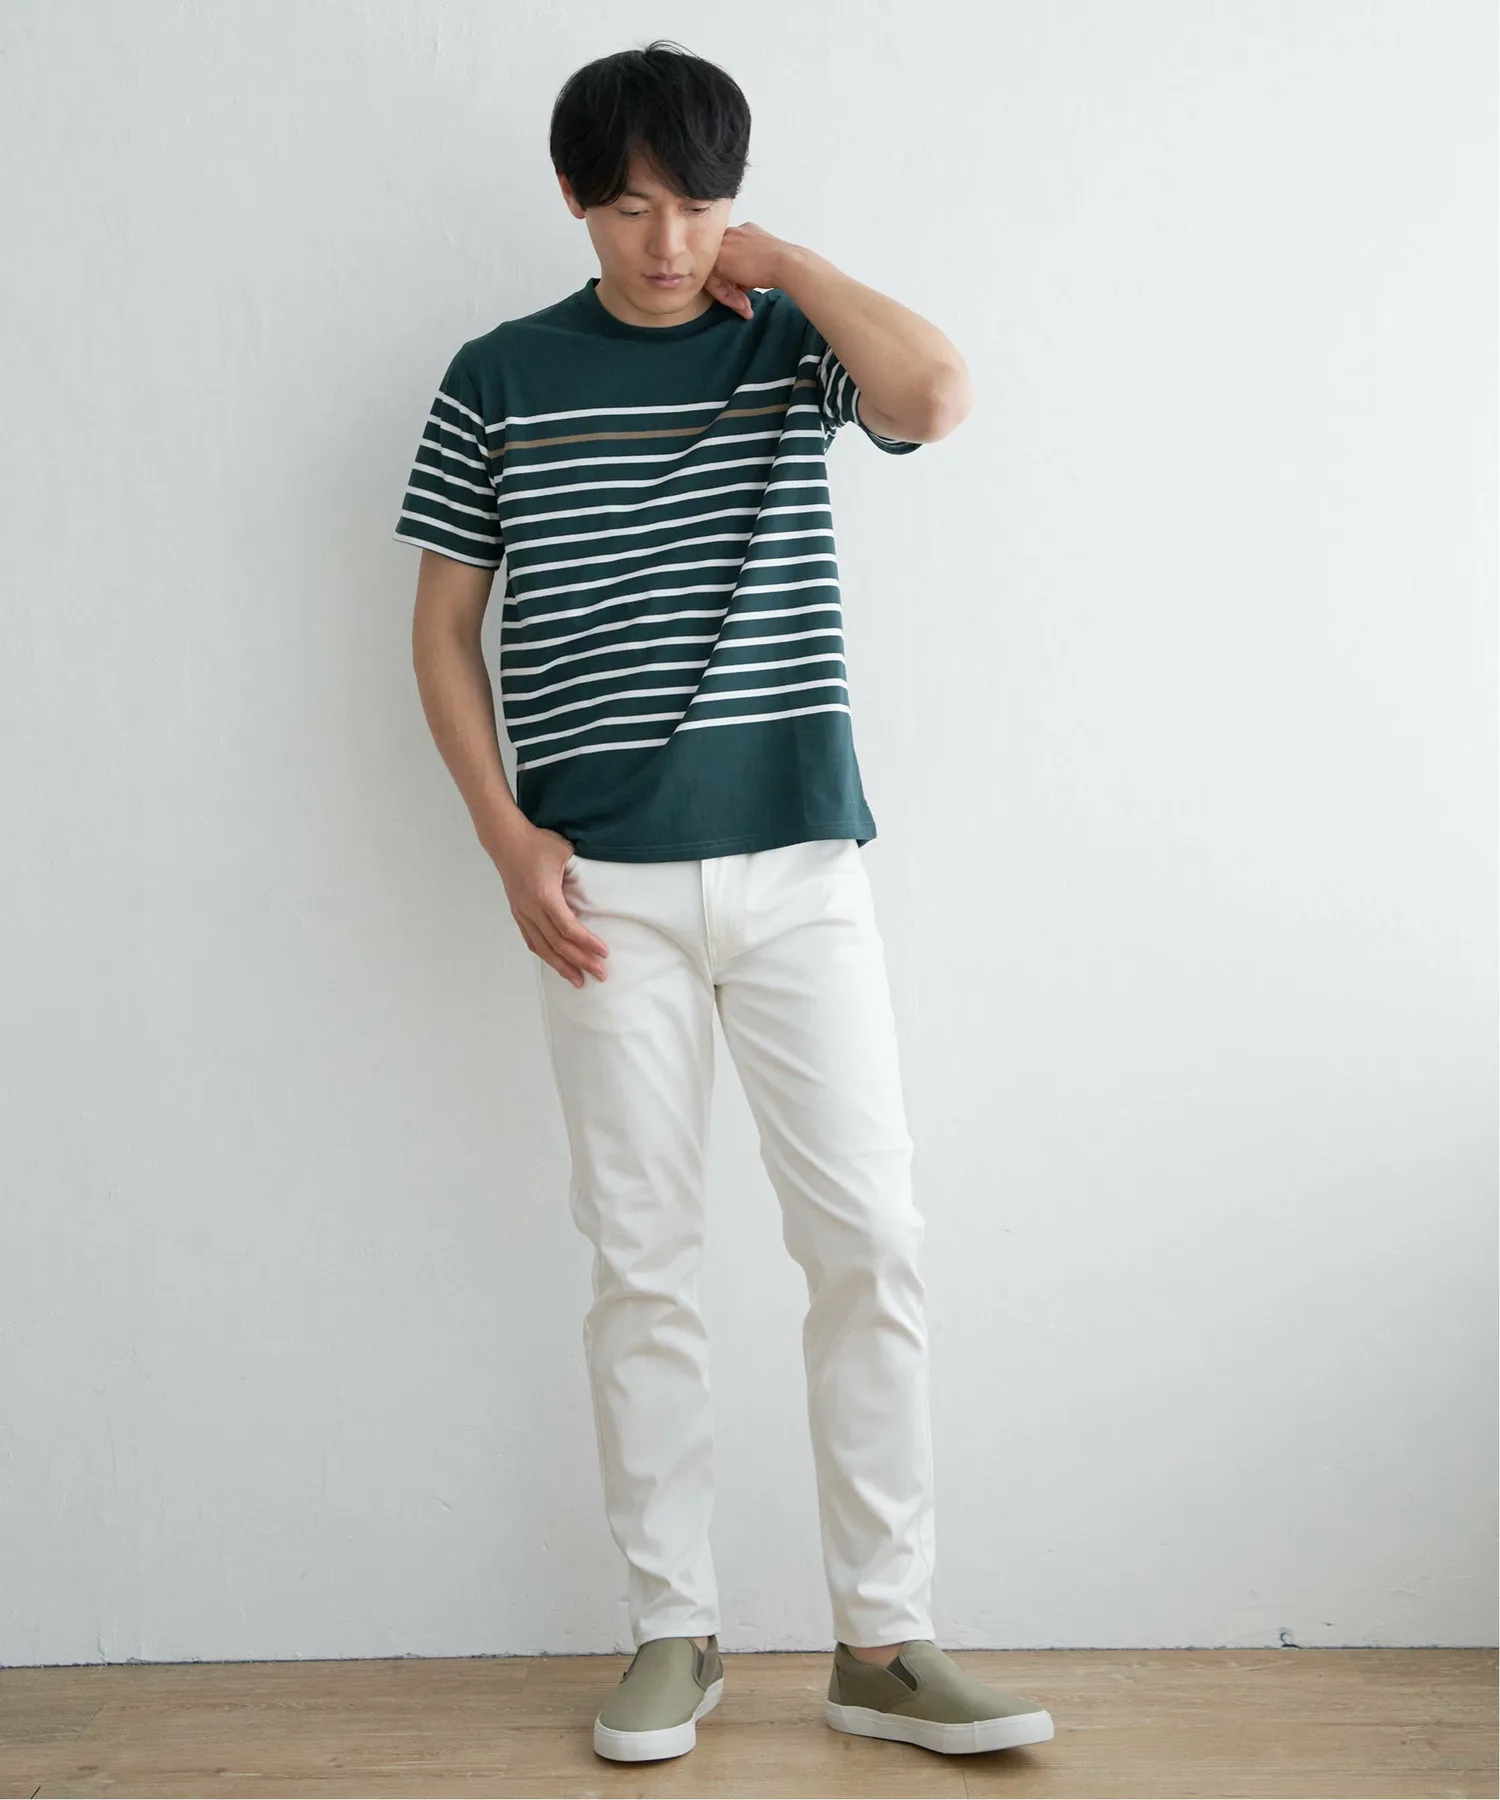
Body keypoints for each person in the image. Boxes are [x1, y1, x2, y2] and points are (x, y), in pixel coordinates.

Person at [393, 37, 1053, 1766]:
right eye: (632, 206)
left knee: (871, 1241)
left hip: (801, 868)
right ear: (573, 199)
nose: (670, 241)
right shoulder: (499, 376)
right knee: (644, 1264)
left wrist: (799, 267)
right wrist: (503, 836)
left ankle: (884, 1644)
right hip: (598, 887)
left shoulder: (785, 341)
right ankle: (671, 1633)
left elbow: (938, 397)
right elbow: (444, 625)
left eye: (699, 204)